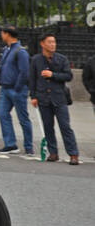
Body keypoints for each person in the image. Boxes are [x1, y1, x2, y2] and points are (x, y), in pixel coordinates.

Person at [29, 34, 79, 164]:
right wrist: (33, 96)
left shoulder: (62, 59)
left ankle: (73, 154)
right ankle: (53, 152)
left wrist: (53, 75)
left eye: (54, 42)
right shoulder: (36, 60)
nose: (52, 44)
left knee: (65, 126)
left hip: (59, 98)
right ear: (42, 44)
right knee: (48, 126)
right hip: (43, 98)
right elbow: (32, 79)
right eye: (49, 42)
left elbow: (68, 76)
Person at [0, 26, 33, 155]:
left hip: (17, 89)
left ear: (7, 34)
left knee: (23, 118)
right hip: (5, 88)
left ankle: (29, 146)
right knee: (3, 114)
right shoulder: (7, 50)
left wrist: (17, 88)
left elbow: (24, 72)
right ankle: (10, 144)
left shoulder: (20, 51)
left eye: (2, 32)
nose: (1, 35)